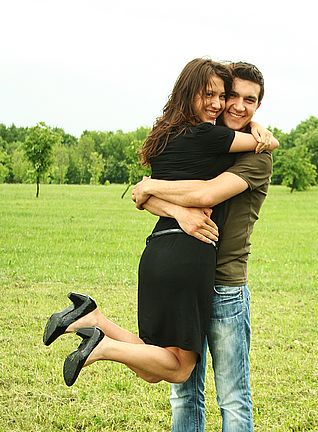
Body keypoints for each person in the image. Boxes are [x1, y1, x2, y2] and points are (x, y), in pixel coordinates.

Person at [43, 58, 277, 391]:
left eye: (220, 96)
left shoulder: (163, 134)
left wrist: (158, 194)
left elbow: (141, 195)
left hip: (155, 252)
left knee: (154, 364)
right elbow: (254, 154)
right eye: (208, 94)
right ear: (189, 92)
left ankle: (92, 319)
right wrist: (260, 130)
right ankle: (102, 346)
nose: (218, 104)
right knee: (181, 369)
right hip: (189, 254)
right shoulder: (208, 136)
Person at [131, 62, 272, 432]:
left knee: (232, 395)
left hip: (226, 286)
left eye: (250, 101)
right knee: (184, 387)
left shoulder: (254, 156)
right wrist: (162, 203)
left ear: (257, 107)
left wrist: (153, 189)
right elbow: (153, 196)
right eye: (234, 96)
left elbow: (206, 195)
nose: (236, 105)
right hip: (191, 278)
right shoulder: (212, 143)